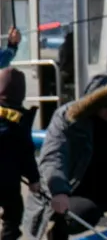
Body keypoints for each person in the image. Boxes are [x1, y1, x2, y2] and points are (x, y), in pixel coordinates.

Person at [23, 72, 107, 240]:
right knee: (84, 214)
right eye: (106, 106)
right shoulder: (67, 118)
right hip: (72, 186)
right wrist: (59, 190)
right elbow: (53, 156)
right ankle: (58, 233)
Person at [0, 68, 38, 240]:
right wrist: (34, 179)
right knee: (13, 213)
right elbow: (26, 153)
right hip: (7, 180)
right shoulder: (20, 119)